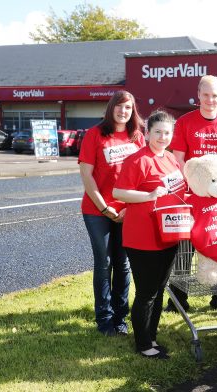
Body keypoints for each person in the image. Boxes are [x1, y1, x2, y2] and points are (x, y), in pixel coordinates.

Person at [167, 74, 217, 315]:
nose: (210, 100)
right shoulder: (185, 122)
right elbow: (179, 158)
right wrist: (195, 185)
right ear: (198, 95)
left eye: (215, 95)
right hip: (191, 196)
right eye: (206, 95)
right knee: (184, 247)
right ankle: (177, 300)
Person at [113, 110, 186, 359]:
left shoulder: (171, 160)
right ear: (147, 133)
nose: (163, 137)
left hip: (168, 234)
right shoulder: (138, 160)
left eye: (167, 133)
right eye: (158, 132)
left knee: (160, 287)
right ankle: (143, 344)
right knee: (147, 292)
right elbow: (119, 192)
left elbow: (178, 192)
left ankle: (151, 336)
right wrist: (148, 196)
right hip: (142, 237)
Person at [78, 90, 145, 336]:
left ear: (132, 111)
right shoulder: (95, 135)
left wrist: (128, 207)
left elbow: (142, 175)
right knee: (104, 263)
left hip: (127, 210)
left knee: (123, 263)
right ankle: (104, 319)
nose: (123, 111)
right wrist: (105, 208)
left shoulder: (137, 137)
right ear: (111, 108)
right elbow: (86, 175)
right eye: (119, 106)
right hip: (97, 210)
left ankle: (120, 317)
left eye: (128, 107)